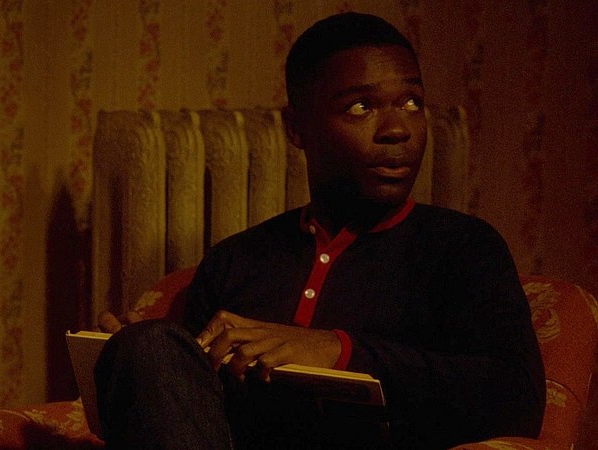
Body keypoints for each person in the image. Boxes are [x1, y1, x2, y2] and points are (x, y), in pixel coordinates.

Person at [95, 12, 545, 449]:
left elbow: (518, 399)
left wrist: (337, 351)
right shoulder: (236, 260)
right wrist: (148, 360)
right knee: (145, 346)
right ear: (297, 129)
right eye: (361, 106)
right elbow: (194, 415)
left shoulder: (463, 248)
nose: (397, 129)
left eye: (412, 102)